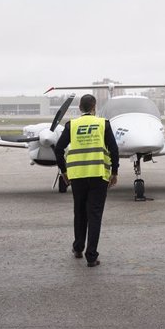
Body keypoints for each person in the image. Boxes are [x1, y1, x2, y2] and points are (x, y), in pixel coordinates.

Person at [54, 94, 119, 267]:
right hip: (98, 175)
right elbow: (113, 149)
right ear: (94, 107)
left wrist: (64, 171)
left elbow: (59, 148)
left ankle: (78, 248)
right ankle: (91, 256)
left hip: (77, 177)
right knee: (95, 215)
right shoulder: (103, 124)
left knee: (80, 212)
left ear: (80, 107)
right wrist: (114, 172)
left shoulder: (71, 125)